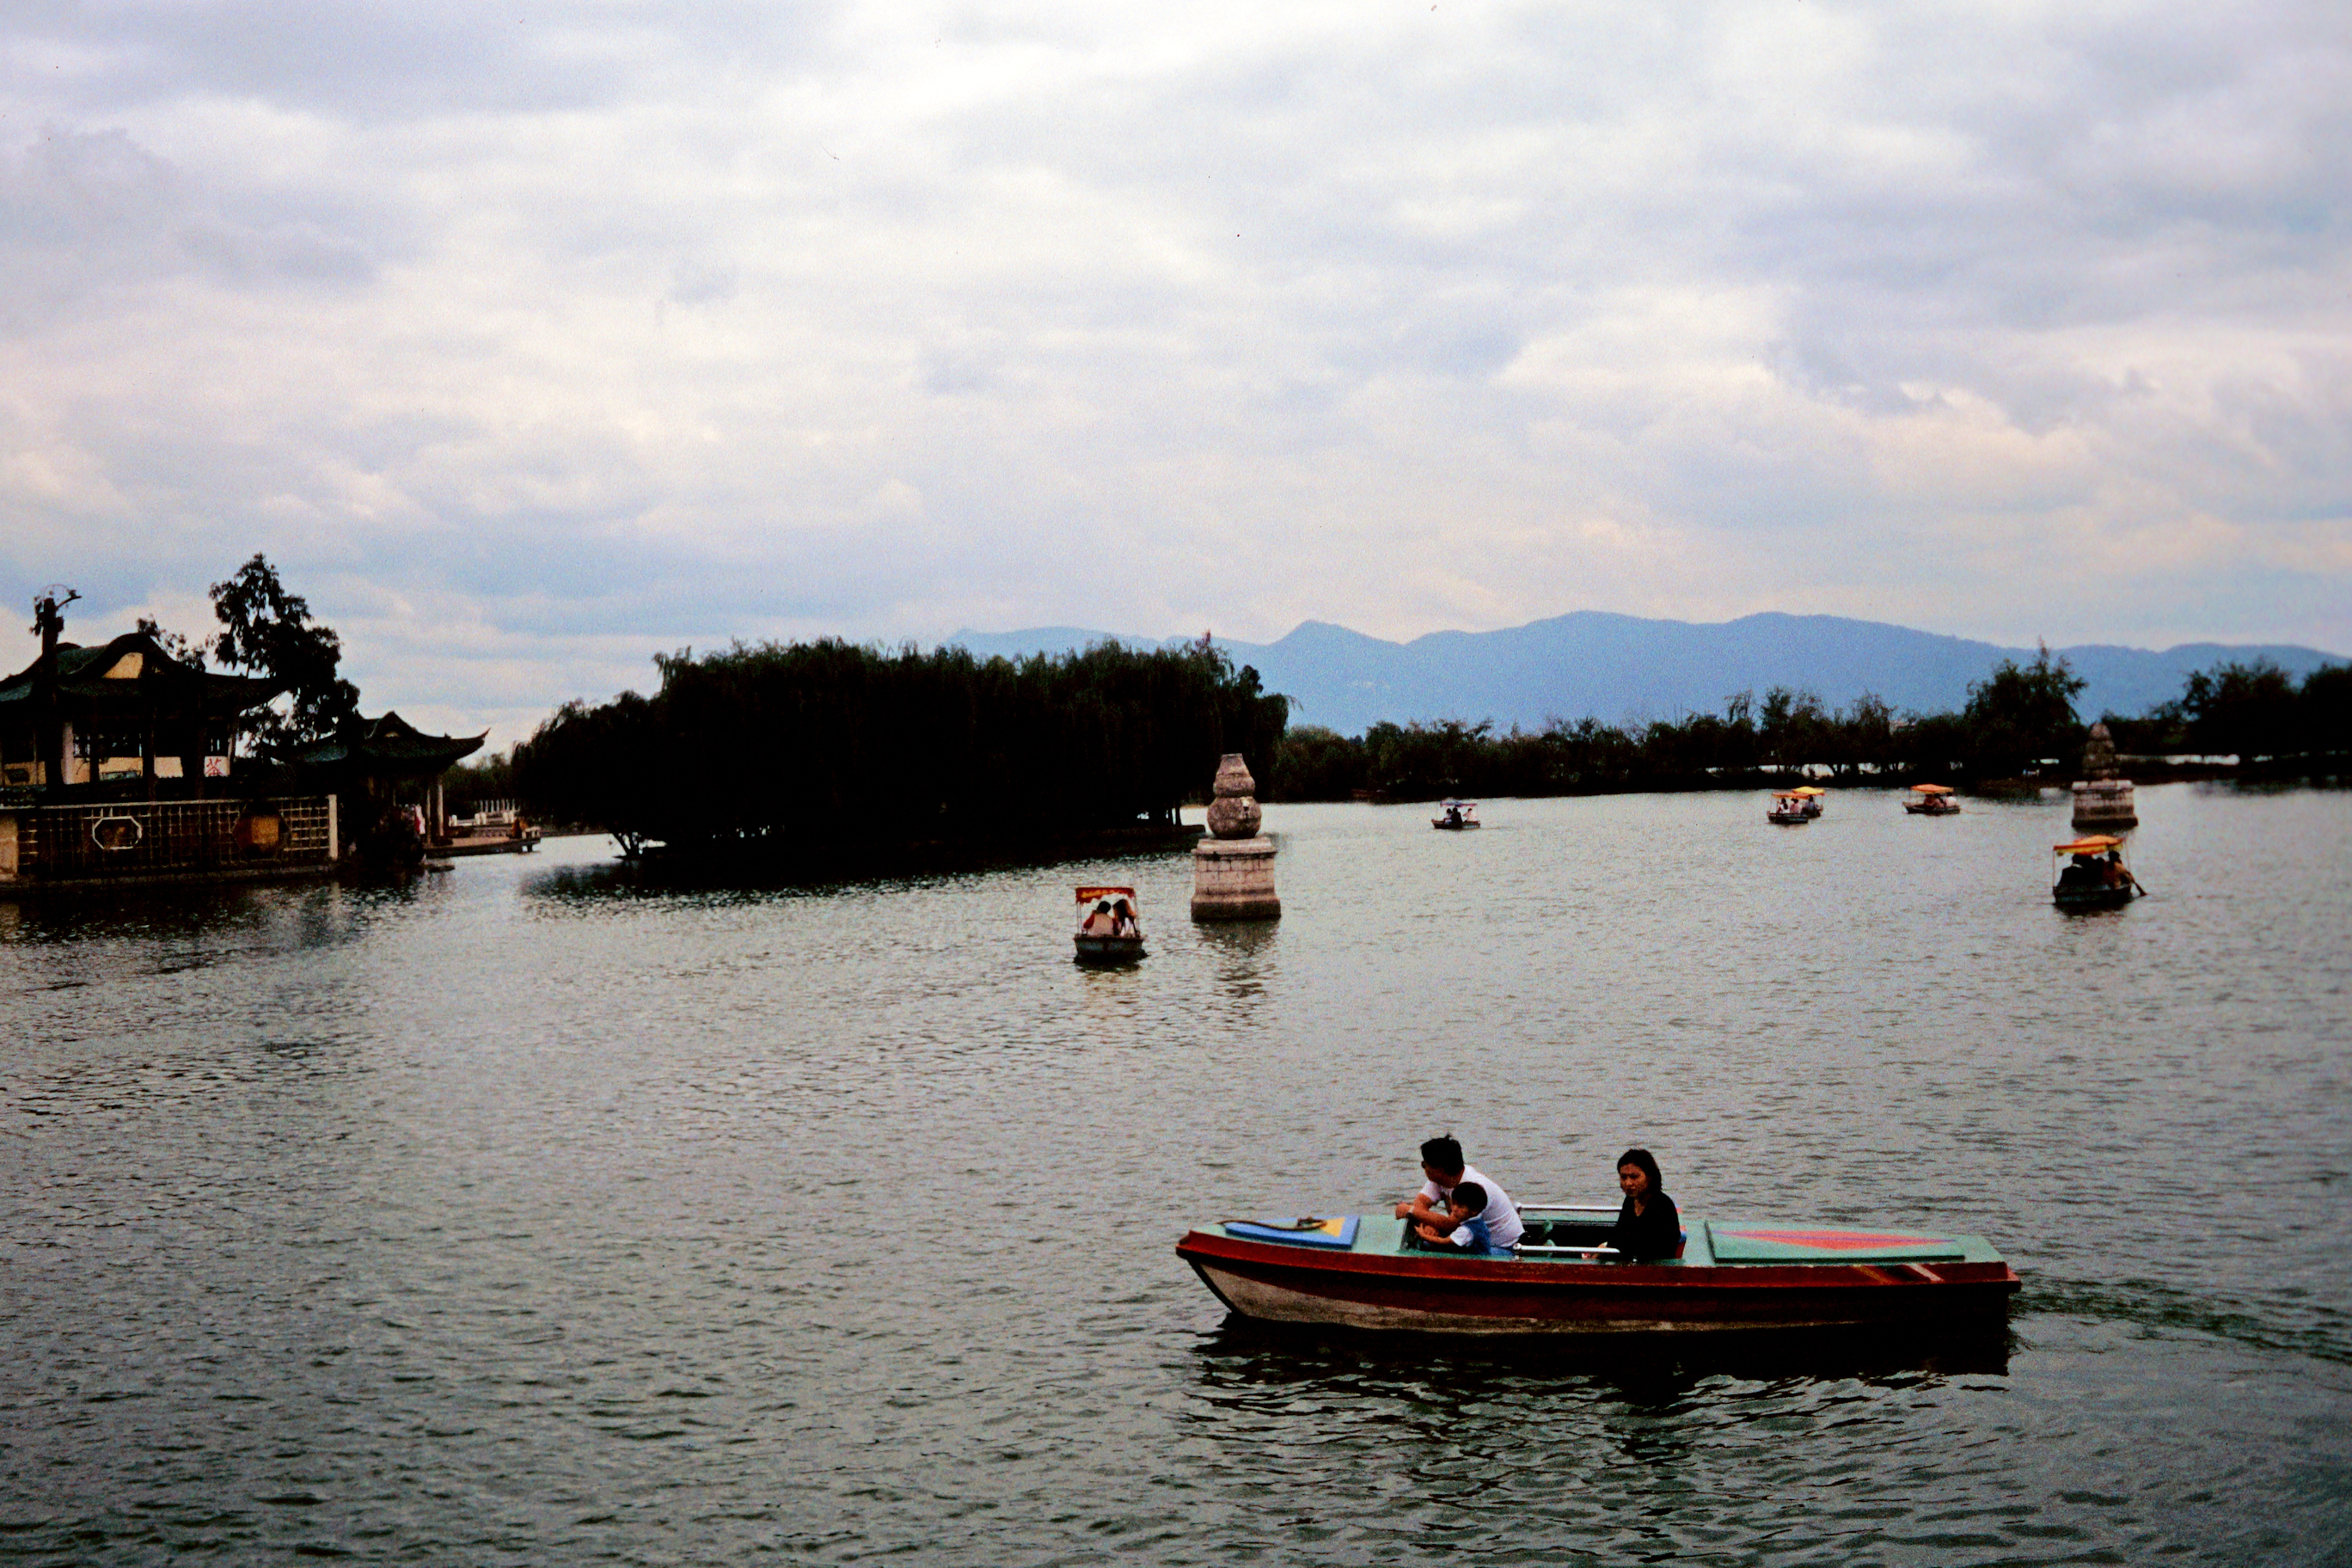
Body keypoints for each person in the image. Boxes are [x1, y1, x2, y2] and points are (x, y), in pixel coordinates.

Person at [1394, 1136, 1523, 1251]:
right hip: (1469, 1236)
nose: (1424, 1168)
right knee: (1427, 1244)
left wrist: (1410, 1210)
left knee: (1429, 1246)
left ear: (1439, 1170)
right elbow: (1421, 1202)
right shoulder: (1439, 1179)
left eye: (1424, 1164)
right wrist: (1429, 1224)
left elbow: (1452, 1225)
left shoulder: (1472, 1187)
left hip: (1502, 1245)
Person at [1603, 1148, 1680, 1262]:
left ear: (1649, 1177)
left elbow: (1655, 1249)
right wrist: (1604, 1248)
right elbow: (1619, 1236)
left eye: (1634, 1177)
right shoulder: (1630, 1201)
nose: (1628, 1183)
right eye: (1623, 1177)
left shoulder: (1663, 1206)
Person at [1411, 1182, 1510, 1256]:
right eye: (1454, 1204)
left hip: (1478, 1262)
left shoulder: (1467, 1231)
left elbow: (1445, 1242)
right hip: (1483, 1252)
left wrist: (1423, 1235)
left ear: (1474, 1210)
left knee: (1427, 1244)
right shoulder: (1477, 1220)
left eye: (1460, 1207)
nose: (1454, 1209)